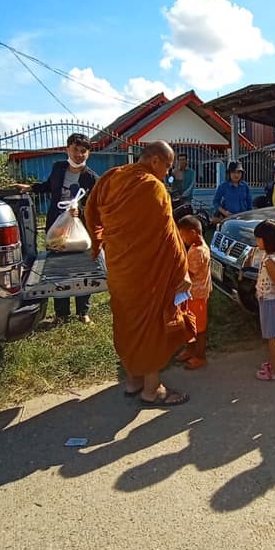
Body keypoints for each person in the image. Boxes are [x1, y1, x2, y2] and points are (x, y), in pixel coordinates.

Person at [84, 140, 194, 407]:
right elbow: (168, 236)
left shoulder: (112, 177)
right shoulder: (151, 187)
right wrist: (182, 271)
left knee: (126, 322)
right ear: (155, 161)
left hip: (120, 269)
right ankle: (152, 389)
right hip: (146, 273)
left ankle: (133, 380)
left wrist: (98, 241)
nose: (168, 173)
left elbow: (90, 208)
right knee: (151, 325)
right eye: (167, 166)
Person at [15, 133, 98, 325]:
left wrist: (81, 211)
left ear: (89, 154)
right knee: (59, 269)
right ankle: (61, 313)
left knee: (81, 269)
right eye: (75, 149)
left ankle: (83, 312)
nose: (79, 154)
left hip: (80, 230)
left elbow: (98, 205)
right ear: (67, 149)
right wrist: (30, 188)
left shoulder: (93, 179)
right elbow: (48, 186)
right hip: (56, 226)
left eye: (83, 151)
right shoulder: (58, 168)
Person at [253, 219, 275, 381]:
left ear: (266, 240)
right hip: (273, 299)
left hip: (270, 300)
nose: (257, 241)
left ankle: (274, 370)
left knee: (271, 336)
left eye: (258, 239)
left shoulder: (269, 262)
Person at [175, 215, 211, 370]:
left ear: (193, 233)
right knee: (188, 325)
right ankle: (190, 350)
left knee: (199, 328)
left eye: (182, 235)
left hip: (197, 296)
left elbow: (190, 273)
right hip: (190, 295)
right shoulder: (196, 247)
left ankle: (200, 356)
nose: (182, 239)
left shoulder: (198, 252)